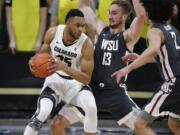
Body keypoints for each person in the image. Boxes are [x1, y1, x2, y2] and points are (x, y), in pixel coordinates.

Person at [50, 0, 145, 135]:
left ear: (124, 17)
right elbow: (83, 6)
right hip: (91, 90)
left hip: (115, 93)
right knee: (56, 125)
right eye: (109, 13)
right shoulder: (102, 30)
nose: (110, 16)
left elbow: (141, 16)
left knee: (143, 128)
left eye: (114, 13)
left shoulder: (127, 37)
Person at [23, 9, 97, 135]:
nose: (81, 29)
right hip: (54, 80)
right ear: (67, 24)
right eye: (77, 25)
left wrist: (64, 67)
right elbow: (41, 57)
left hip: (75, 84)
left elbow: (86, 79)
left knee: (91, 107)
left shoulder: (86, 44)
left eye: (83, 26)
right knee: (42, 113)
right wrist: (33, 62)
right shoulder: (53, 33)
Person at [111, 0, 180, 135]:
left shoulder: (154, 31)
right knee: (174, 124)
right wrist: (140, 58)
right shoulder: (172, 30)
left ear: (148, 12)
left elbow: (153, 49)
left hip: (174, 82)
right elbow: (166, 57)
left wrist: (127, 69)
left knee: (139, 124)